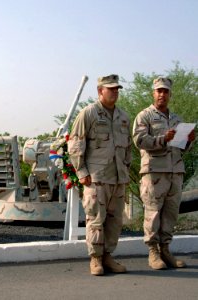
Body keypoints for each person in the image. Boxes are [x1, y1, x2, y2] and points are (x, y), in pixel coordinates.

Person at [68, 74, 131, 276]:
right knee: (96, 218)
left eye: (116, 88)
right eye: (110, 88)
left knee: (114, 220)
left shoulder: (123, 117)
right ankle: (95, 258)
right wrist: (81, 171)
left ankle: (107, 256)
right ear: (100, 91)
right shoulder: (89, 113)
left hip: (118, 178)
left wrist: (126, 170)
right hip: (96, 177)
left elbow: (128, 147)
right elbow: (75, 143)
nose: (114, 91)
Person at [133, 77, 195, 270]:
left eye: (166, 91)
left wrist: (189, 140)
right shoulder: (145, 116)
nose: (162, 94)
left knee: (170, 213)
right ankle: (153, 252)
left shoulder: (176, 119)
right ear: (153, 93)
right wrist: (162, 138)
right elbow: (139, 140)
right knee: (153, 212)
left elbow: (181, 148)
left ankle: (166, 250)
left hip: (175, 171)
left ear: (170, 94)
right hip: (154, 172)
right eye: (159, 91)